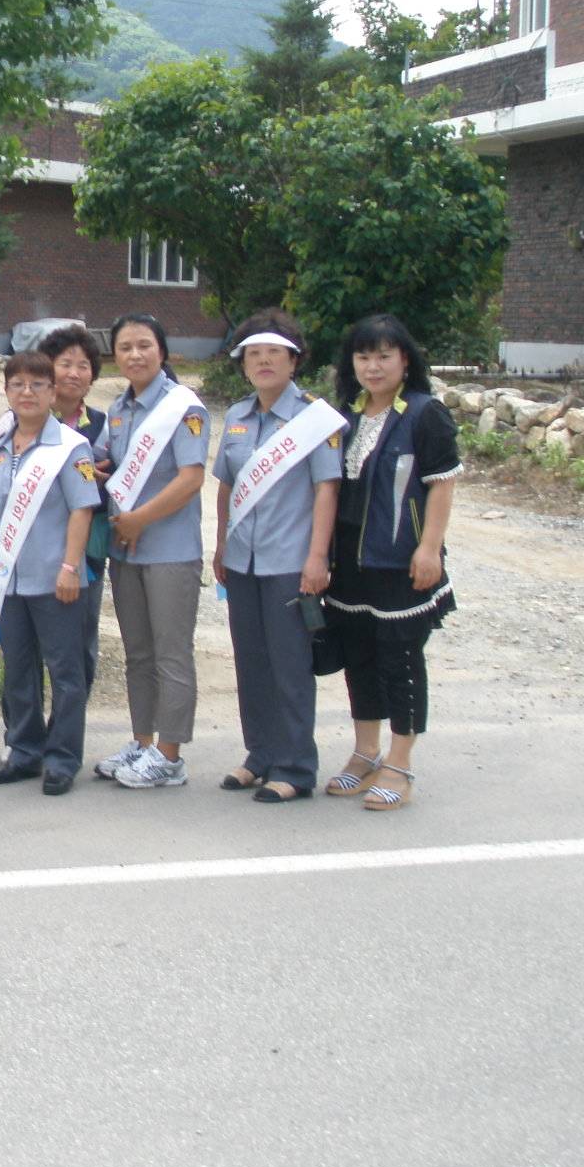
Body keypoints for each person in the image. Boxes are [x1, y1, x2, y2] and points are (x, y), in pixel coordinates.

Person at [322, 314, 460, 812]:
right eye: (363, 357)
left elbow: (442, 483)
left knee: (399, 661)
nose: (373, 366)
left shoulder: (425, 414)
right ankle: (366, 752)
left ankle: (399, 764)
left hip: (400, 559)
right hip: (349, 561)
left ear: (405, 360)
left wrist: (429, 548)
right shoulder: (346, 416)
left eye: (384, 356)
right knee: (358, 656)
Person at [210, 308, 343, 804]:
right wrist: (221, 543)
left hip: (290, 559)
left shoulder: (314, 419)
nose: (263, 361)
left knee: (290, 665)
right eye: (254, 354)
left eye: (274, 353)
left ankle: (295, 766)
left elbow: (327, 488)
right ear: (243, 363)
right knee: (251, 660)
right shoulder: (238, 417)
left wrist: (318, 557)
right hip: (242, 559)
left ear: (294, 360)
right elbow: (227, 486)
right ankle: (260, 754)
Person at [0, 352, 103, 796]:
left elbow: (82, 509)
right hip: (8, 580)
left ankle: (62, 758)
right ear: (7, 392)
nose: (26, 393)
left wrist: (70, 567)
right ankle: (24, 750)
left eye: (37, 385)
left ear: (52, 392)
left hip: (55, 579)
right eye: (18, 385)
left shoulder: (71, 447)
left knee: (66, 671)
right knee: (18, 670)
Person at [90, 313, 208, 792]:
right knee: (138, 654)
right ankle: (143, 743)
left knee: (171, 654)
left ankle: (171, 755)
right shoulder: (118, 409)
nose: (134, 355)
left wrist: (139, 518)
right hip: (126, 551)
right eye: (125, 347)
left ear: (162, 350)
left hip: (170, 550)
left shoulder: (185, 407)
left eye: (144, 345)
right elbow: (106, 463)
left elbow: (191, 478)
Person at [36, 324, 111, 691]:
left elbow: (118, 481)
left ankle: (70, 717)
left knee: (81, 635)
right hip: (34, 543)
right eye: (65, 363)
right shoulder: (28, 419)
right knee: (30, 640)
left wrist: (97, 483)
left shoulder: (103, 426)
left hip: (86, 549)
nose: (74, 373)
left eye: (83, 366)